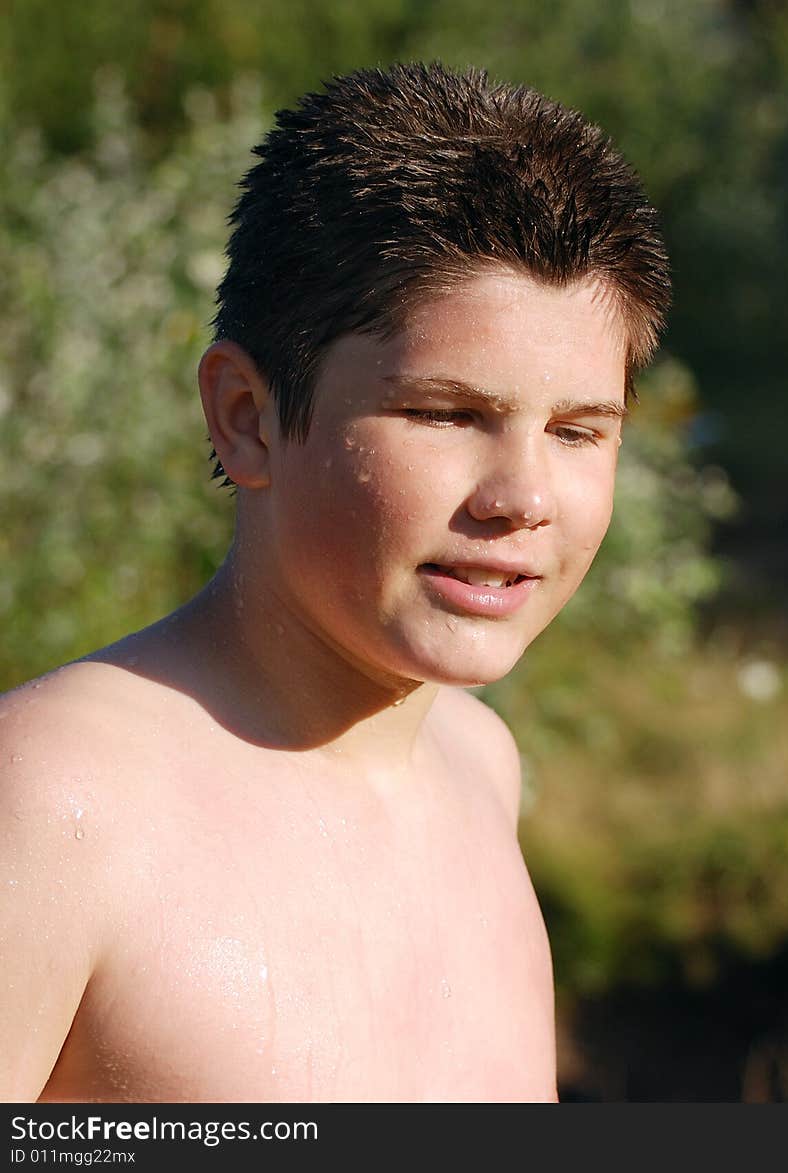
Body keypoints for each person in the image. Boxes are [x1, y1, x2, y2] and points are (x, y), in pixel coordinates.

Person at [0, 61, 670, 1103]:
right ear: (246, 416)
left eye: (579, 431)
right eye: (447, 415)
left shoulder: (476, 764)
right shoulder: (51, 806)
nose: (522, 497)